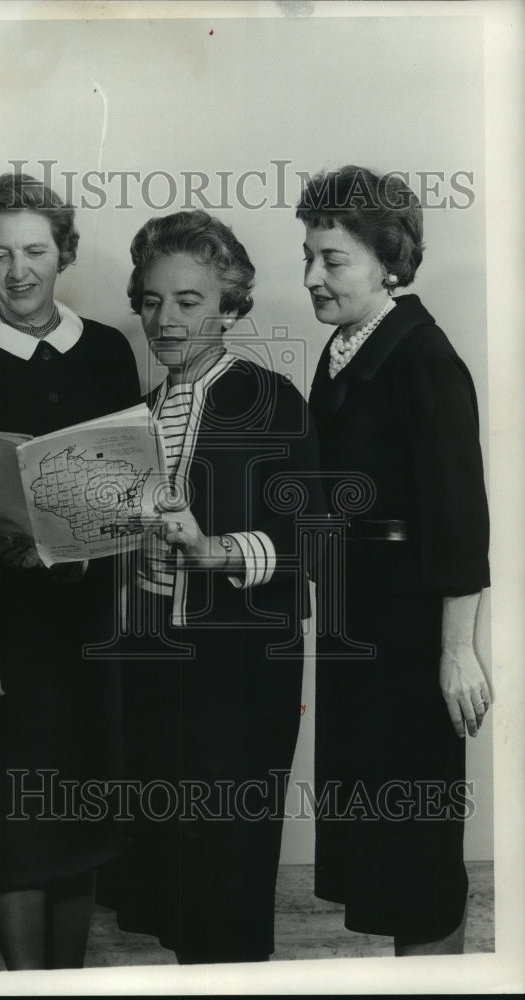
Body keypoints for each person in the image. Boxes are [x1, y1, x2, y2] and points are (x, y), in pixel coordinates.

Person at [0, 172, 141, 970]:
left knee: (80, 821)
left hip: (86, 625)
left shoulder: (109, 352)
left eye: (36, 251)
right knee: (14, 829)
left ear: (64, 253)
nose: (19, 271)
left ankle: (66, 984)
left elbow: (129, 494)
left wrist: (62, 543)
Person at [101, 210, 321, 964]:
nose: (165, 319)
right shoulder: (139, 412)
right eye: (151, 301)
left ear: (229, 306)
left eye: (188, 301)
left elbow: (314, 542)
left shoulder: (274, 400)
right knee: (171, 876)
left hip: (239, 674)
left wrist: (213, 551)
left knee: (227, 872)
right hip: (152, 667)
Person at [296, 165, 491, 955]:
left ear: (388, 261)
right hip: (359, 631)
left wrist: (457, 653)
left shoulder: (423, 357)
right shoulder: (346, 347)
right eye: (308, 257)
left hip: (410, 641)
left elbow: (460, 520)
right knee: (381, 853)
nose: (312, 277)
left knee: (417, 856)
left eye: (332, 260)